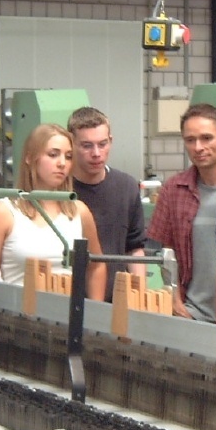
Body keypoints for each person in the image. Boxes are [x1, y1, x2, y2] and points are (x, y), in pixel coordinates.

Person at [0, 123, 106, 300]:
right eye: (53, 154)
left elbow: (96, 265)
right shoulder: (3, 213)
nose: (62, 163)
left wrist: (94, 310)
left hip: (68, 315)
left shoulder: (79, 212)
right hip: (17, 314)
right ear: (30, 158)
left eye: (68, 157)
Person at [147, 103, 216, 321]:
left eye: (206, 138)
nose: (198, 147)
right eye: (190, 140)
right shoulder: (174, 190)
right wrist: (174, 300)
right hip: (193, 313)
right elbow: (164, 252)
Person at [67, 107, 146, 302]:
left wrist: (140, 295)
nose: (96, 153)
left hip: (116, 302)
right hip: (68, 300)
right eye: (86, 146)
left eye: (102, 144)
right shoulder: (60, 190)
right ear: (71, 144)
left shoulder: (127, 187)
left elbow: (134, 248)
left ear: (111, 140)